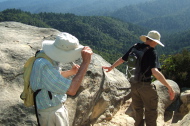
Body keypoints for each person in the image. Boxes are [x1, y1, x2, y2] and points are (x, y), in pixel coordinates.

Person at [102, 30, 175, 126]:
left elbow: (122, 59)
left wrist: (111, 67)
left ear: (147, 38)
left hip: (133, 84)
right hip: (145, 86)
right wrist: (169, 87)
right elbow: (155, 72)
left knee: (138, 109)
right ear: (154, 41)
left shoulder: (135, 47)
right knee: (151, 111)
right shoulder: (152, 52)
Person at [30, 32, 93, 126]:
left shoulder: (47, 57)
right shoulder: (44, 65)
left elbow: (53, 78)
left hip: (53, 109)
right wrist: (86, 63)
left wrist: (71, 72)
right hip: (51, 113)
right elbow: (72, 90)